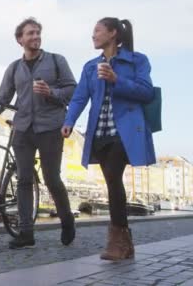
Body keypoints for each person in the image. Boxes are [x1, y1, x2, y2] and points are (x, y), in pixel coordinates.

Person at [0, 17, 77, 249]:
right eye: (30, 33)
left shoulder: (57, 61)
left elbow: (72, 90)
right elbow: (3, 99)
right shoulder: (14, 68)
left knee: (51, 178)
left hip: (50, 127)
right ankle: (26, 233)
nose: (36, 37)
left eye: (38, 33)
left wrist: (51, 92)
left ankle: (67, 218)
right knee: (24, 180)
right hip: (23, 128)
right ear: (20, 39)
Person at [62, 17, 155, 260]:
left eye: (97, 30)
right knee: (112, 180)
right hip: (99, 133)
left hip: (124, 131)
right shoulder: (90, 67)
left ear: (113, 33)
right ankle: (125, 243)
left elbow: (146, 92)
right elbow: (80, 97)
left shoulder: (137, 60)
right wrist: (69, 121)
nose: (93, 35)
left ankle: (118, 241)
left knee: (113, 175)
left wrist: (116, 80)